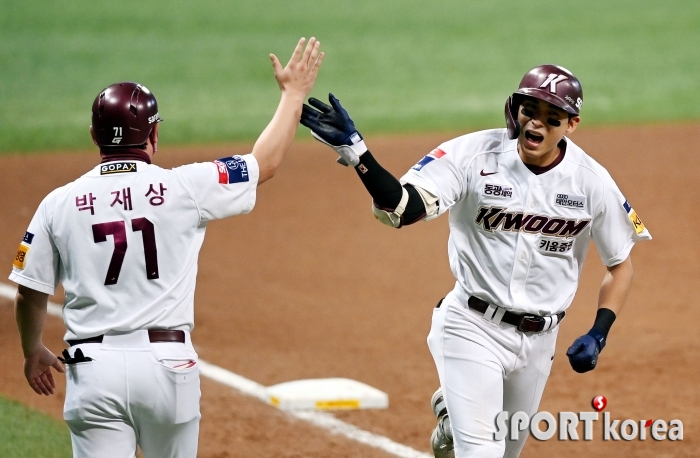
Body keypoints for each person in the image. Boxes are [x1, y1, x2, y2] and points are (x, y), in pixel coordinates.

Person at [299, 64, 651, 457]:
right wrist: (359, 155)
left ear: (572, 125)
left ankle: (453, 418)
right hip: (472, 326)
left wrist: (598, 333)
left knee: (504, 453)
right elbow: (402, 208)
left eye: (552, 119)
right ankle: (460, 417)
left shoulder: (591, 181)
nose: (537, 125)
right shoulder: (471, 155)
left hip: (540, 341)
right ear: (514, 109)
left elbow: (620, 264)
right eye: (529, 111)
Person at [10, 37, 323, 458]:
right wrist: (294, 95)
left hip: (92, 370)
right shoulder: (185, 186)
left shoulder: (56, 204)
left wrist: (33, 350)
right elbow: (263, 162)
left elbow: (30, 292)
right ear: (154, 132)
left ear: (93, 135)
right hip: (168, 366)